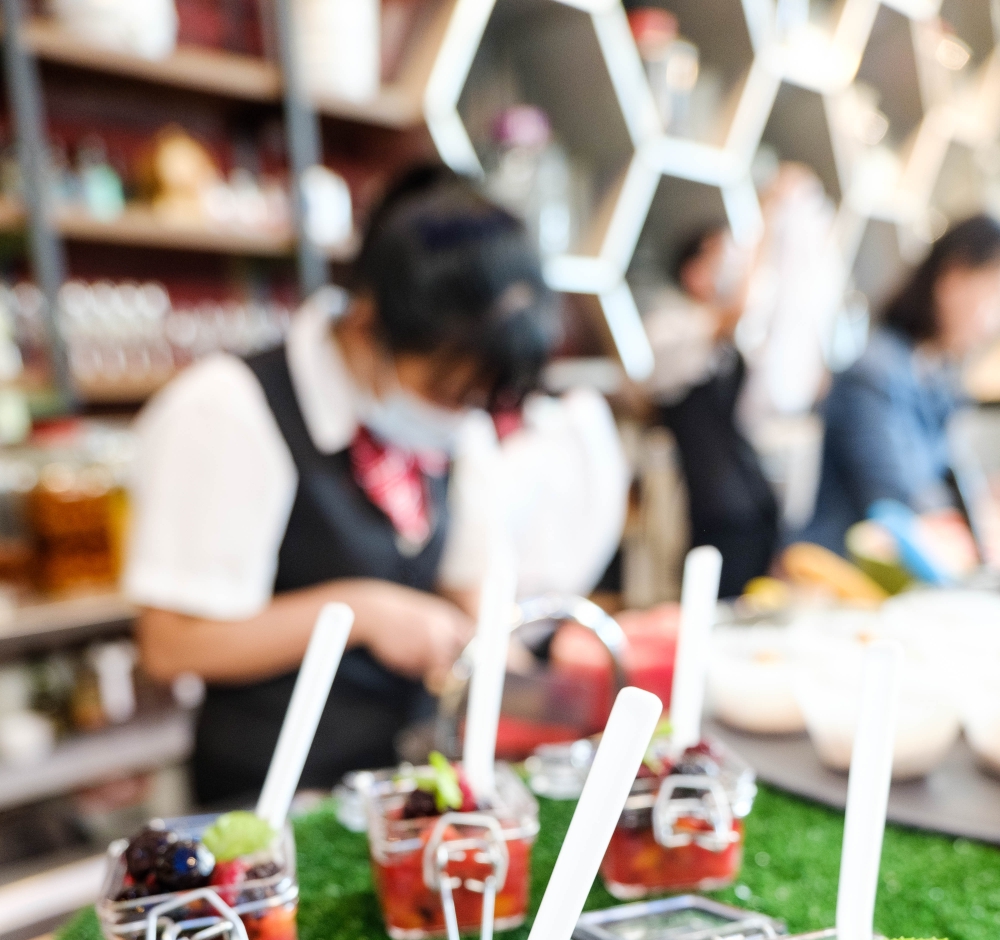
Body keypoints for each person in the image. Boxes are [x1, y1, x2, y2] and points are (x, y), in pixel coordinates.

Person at [127, 167, 625, 806]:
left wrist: (544, 692)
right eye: (444, 390)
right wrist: (361, 612)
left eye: (475, 399)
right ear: (366, 324)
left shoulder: (454, 423)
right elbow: (170, 644)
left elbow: (468, 588)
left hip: (409, 780)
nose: (459, 415)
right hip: (277, 796)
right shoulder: (229, 408)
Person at [802, 213, 1000, 556]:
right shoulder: (874, 374)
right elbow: (900, 502)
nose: (993, 323)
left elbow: (951, 482)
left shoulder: (937, 377)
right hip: (841, 570)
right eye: (993, 297)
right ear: (952, 281)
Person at [643, 220, 780, 598]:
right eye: (720, 259)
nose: (729, 270)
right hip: (714, 509)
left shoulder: (729, 338)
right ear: (692, 271)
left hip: (755, 502)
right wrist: (768, 220)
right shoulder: (670, 327)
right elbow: (734, 312)